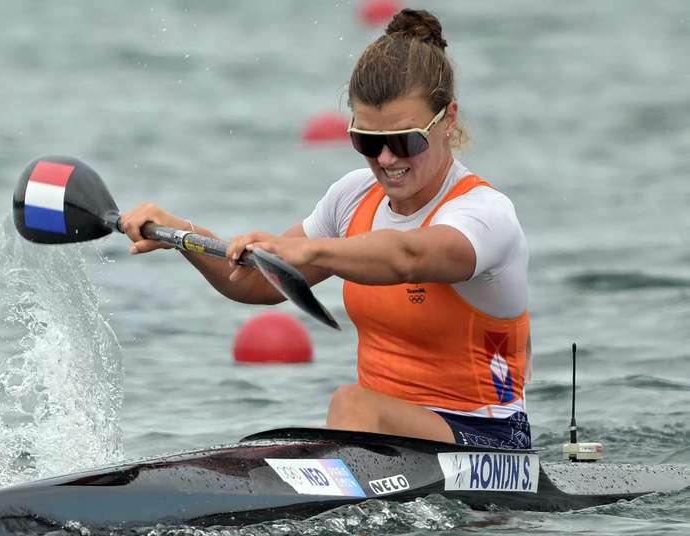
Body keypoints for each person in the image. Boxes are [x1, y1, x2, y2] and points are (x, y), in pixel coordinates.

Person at [121, 8, 531, 450]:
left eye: (405, 139)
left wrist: (311, 252)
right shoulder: (352, 197)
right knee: (348, 411)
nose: (388, 160)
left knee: (352, 404)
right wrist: (179, 234)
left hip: (490, 442)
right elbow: (253, 282)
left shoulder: (484, 213)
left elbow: (407, 257)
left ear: (448, 119)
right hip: (392, 443)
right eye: (368, 142)